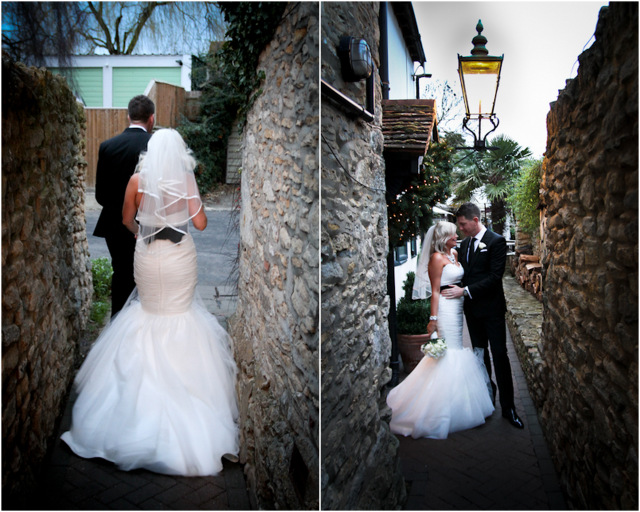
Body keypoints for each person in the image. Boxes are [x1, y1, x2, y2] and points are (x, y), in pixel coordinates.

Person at [62, 129, 239, 476]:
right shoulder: (185, 178)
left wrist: (144, 234)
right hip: (178, 257)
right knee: (179, 312)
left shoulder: (136, 181)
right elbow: (200, 223)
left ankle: (131, 410)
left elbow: (127, 220)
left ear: (150, 152)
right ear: (178, 153)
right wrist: (189, 198)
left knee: (149, 310)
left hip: (146, 254)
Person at [387, 221, 494, 439]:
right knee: (449, 352)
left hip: (458, 308)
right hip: (445, 308)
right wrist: (433, 319)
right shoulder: (436, 259)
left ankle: (457, 401)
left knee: (455, 349)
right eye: (453, 234)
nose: (457, 236)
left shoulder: (454, 253)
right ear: (444, 238)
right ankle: (439, 407)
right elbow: (435, 291)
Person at [441, 202, 524, 429]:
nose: (461, 229)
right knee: (480, 356)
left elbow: (495, 276)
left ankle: (509, 407)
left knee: (499, 355)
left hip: (493, 311)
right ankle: (488, 398)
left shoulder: (495, 241)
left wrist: (465, 291)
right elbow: (462, 275)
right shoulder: (465, 244)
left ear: (475, 220)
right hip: (472, 312)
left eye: (463, 224)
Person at [93, 95, 155, 317]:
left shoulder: (107, 147)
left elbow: (100, 195)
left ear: (128, 117)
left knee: (121, 275)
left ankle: (118, 326)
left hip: (115, 226)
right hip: (152, 225)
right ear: (152, 118)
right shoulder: (157, 146)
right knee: (149, 278)